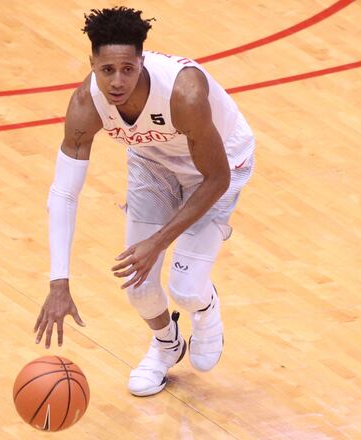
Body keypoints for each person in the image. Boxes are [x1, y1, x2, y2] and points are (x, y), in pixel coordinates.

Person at [33, 6, 255, 397]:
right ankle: (167, 344)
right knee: (138, 286)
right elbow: (64, 193)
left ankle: (205, 308)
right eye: (107, 70)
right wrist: (58, 282)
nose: (117, 82)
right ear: (92, 64)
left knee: (185, 289)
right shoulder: (86, 104)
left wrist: (157, 242)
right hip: (153, 161)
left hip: (220, 165)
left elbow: (216, 178)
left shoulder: (184, 93)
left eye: (127, 69)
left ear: (142, 62)